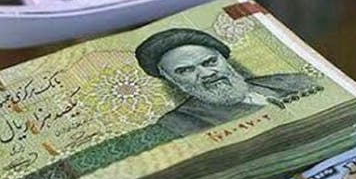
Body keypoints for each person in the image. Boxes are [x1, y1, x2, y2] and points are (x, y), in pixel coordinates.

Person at [134, 28, 323, 135]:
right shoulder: (178, 122)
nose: (206, 74)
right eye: (185, 70)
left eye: (210, 62)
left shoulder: (293, 81)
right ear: (171, 79)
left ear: (224, 60)